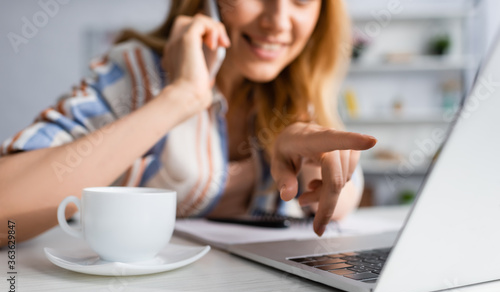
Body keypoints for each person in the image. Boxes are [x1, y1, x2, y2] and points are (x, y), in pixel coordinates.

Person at [0, 0, 376, 247]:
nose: (276, 21)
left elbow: (336, 199)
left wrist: (314, 159)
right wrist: (181, 96)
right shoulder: (136, 73)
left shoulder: (297, 89)